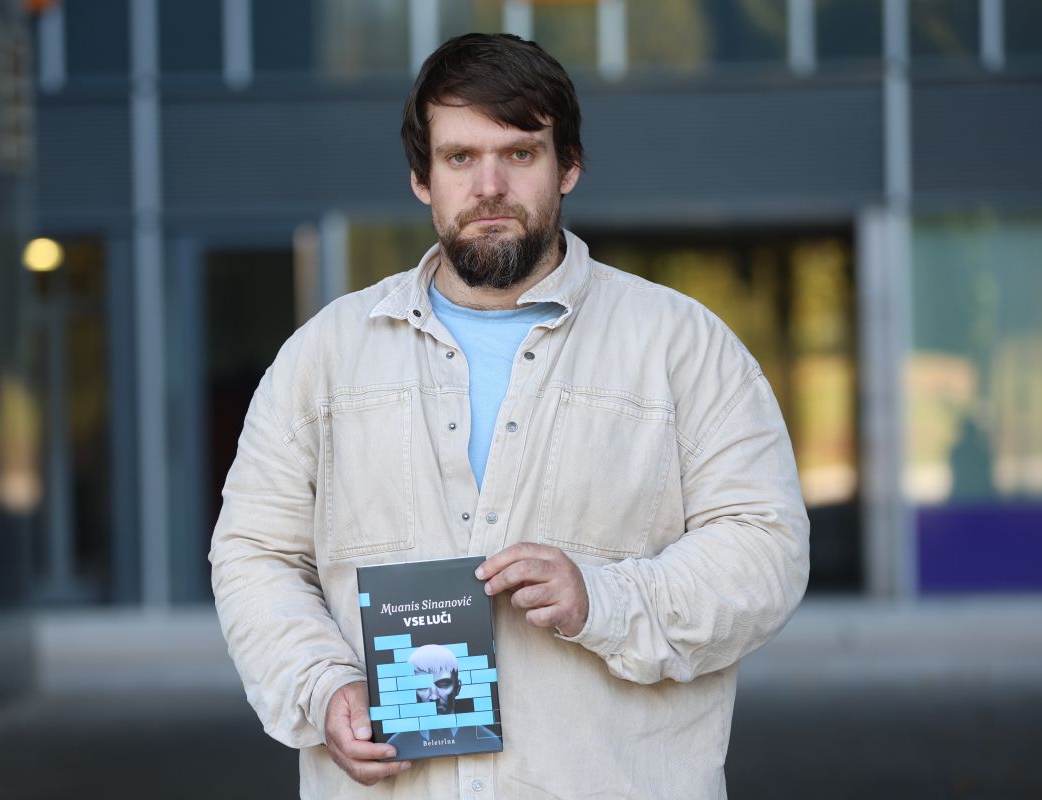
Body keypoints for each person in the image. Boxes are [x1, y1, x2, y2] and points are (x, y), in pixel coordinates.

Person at [209, 32, 809, 799]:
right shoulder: (323, 358)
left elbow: (766, 547)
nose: (489, 186)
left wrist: (604, 599)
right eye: (460, 157)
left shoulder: (683, 347)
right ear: (422, 178)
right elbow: (255, 555)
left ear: (569, 166)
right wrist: (321, 686)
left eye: (520, 153)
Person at [384, 645, 501, 760]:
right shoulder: (397, 745)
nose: (434, 696)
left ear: (458, 687)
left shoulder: (488, 740)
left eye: (443, 684)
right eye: (422, 686)